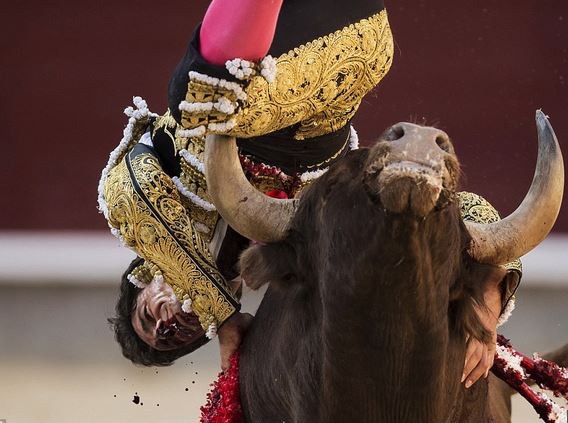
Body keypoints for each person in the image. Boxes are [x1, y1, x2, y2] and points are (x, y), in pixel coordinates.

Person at [100, 0, 520, 388]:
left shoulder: (144, 199)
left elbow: (127, 195)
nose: (167, 327)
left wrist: (224, 318)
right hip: (358, 47)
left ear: (142, 274)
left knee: (201, 102)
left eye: (149, 316)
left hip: (265, 66)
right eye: (172, 341)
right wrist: (486, 301)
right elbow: (470, 214)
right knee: (207, 100)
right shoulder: (287, 245)